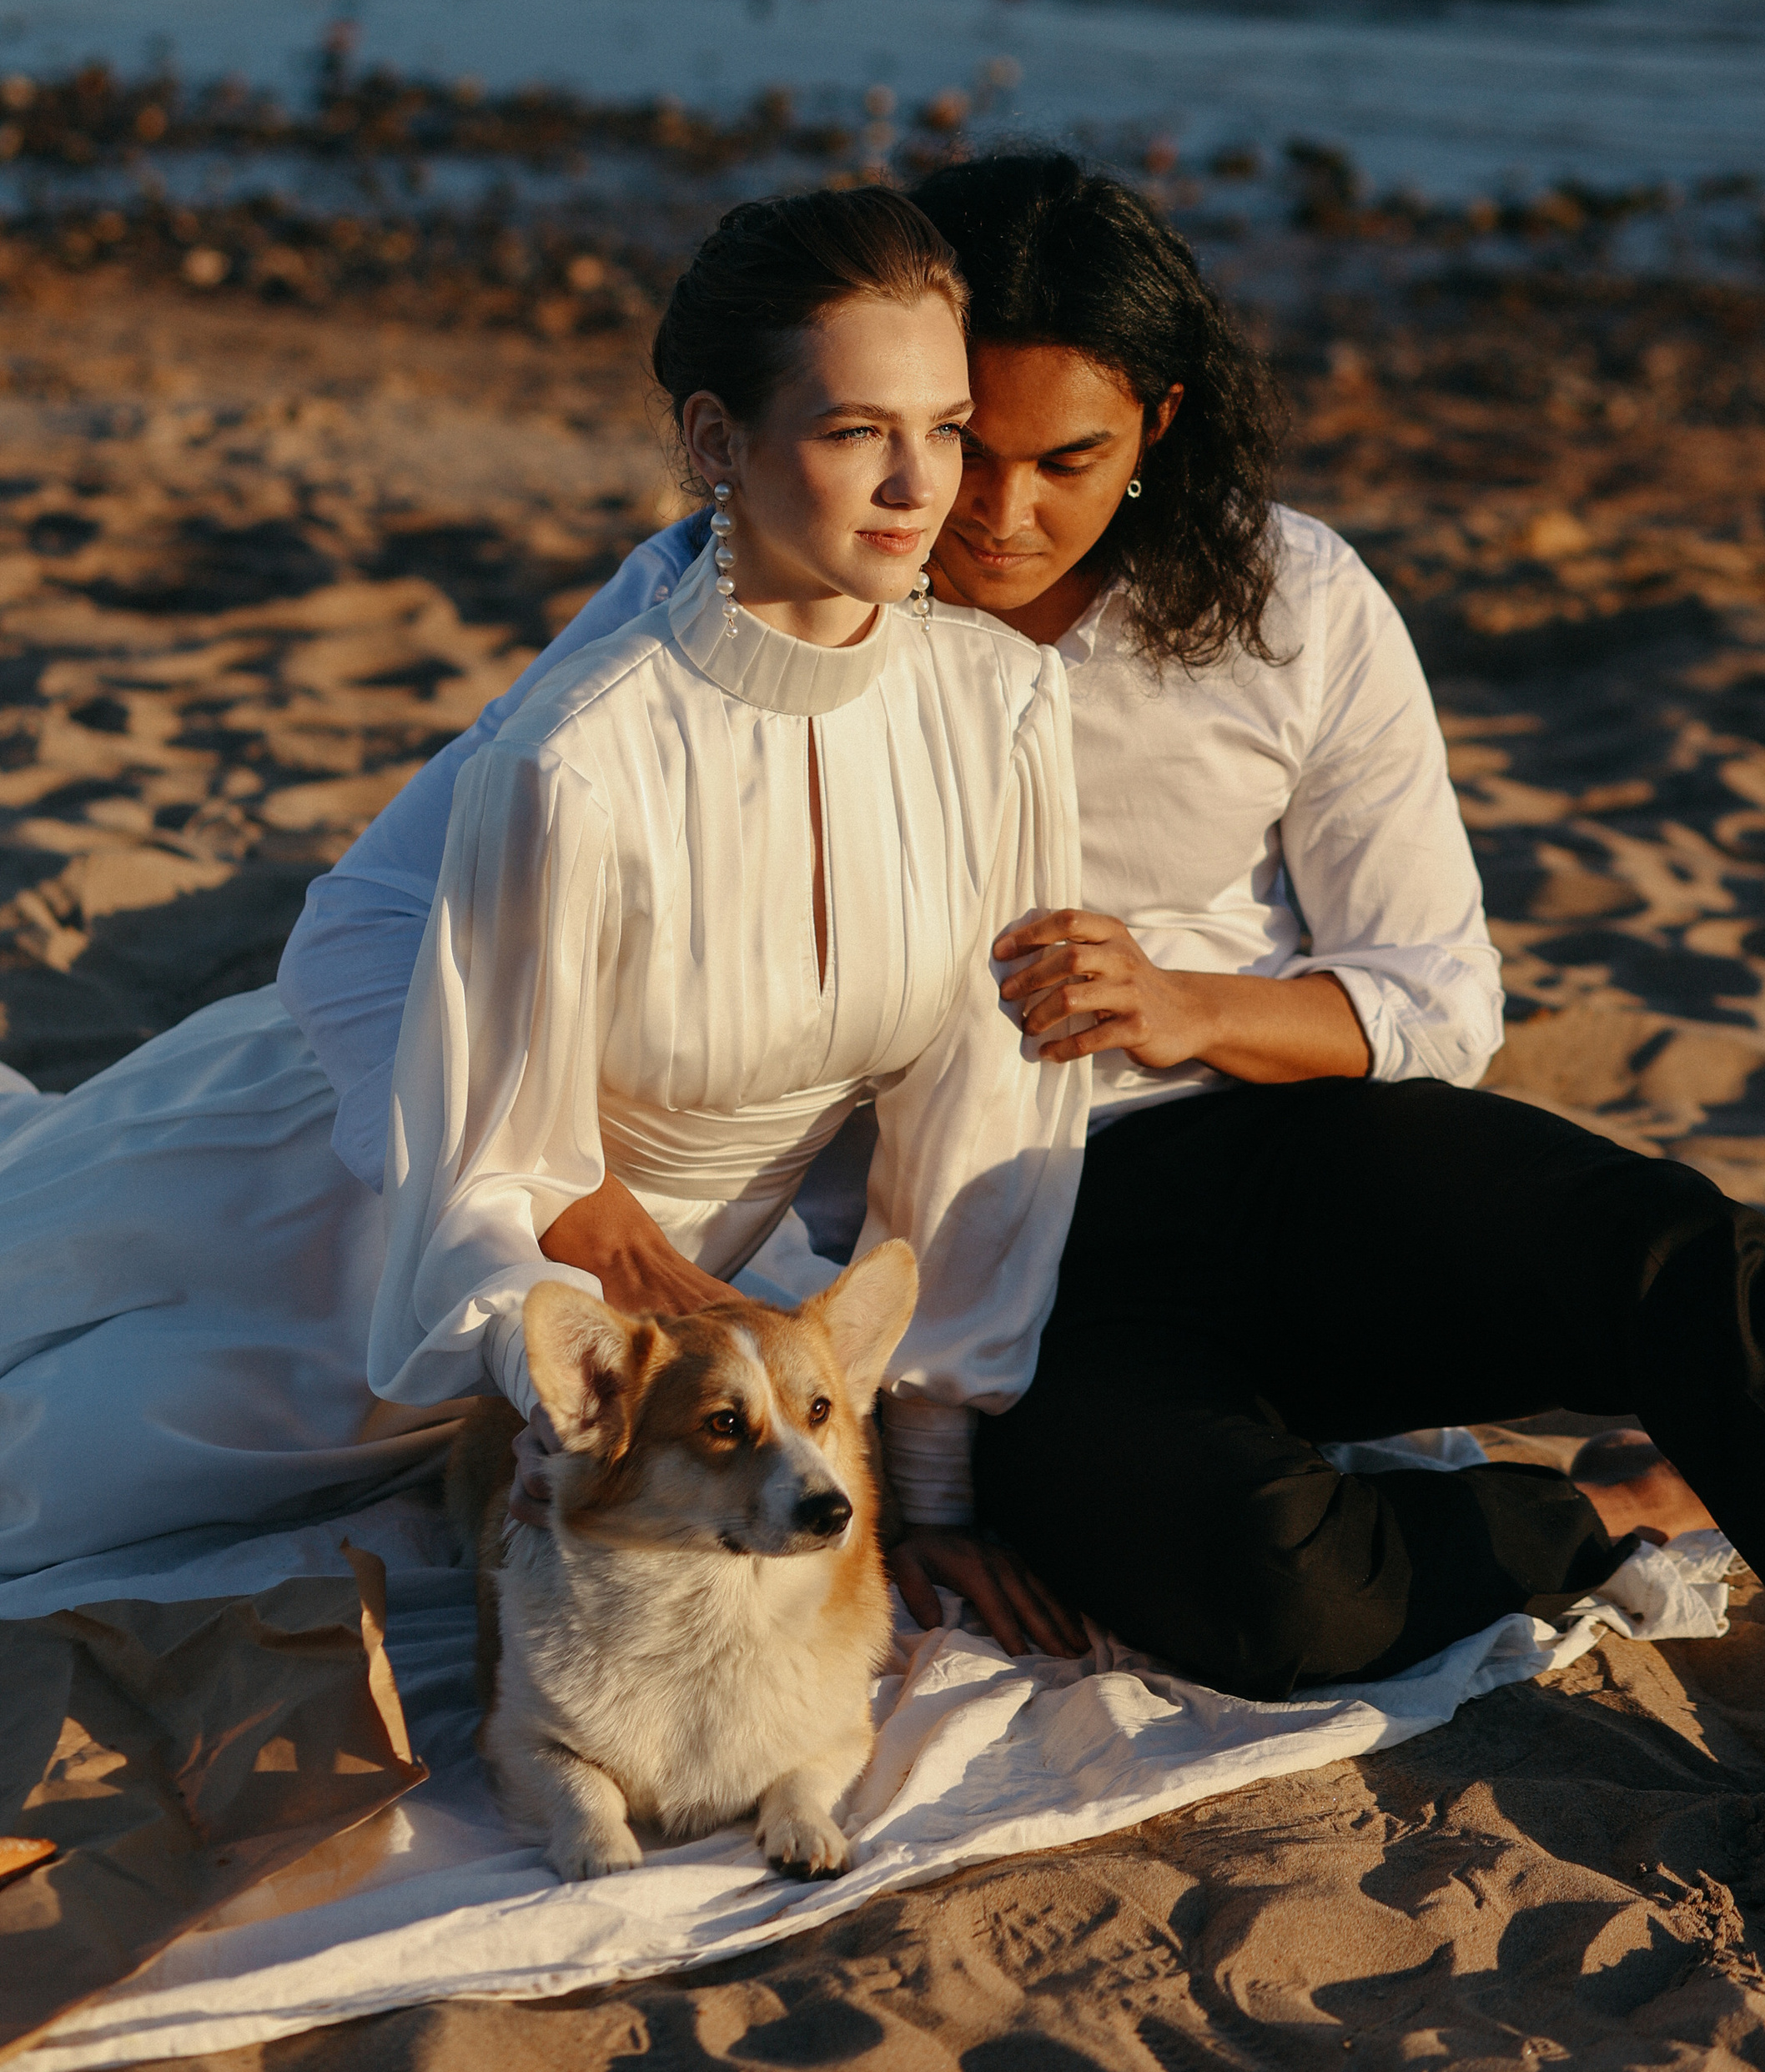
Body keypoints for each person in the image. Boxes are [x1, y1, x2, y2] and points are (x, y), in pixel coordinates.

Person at [281, 156, 1765, 1864]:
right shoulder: (759, 606)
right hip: (1010, 1250)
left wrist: (1189, 1005)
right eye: (955, 441)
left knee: (1683, 1259)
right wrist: (577, 1198)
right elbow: (373, 921)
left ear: (1156, 428)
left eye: (1062, 459)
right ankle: (1609, 1519)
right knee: (1268, 1600)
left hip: (1283, 1146)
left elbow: (1441, 997)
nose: (986, 511)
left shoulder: (1295, 601)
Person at [0, 189, 1085, 1577]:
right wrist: (559, 1360)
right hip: (389, 1227)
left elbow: (982, 1112)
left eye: (945, 427)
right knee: (43, 1482)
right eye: (855, 431)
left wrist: (930, 1488)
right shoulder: (579, 752)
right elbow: (427, 1056)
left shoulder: (1003, 709)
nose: (919, 486)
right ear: (717, 441)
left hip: (661, 1320)